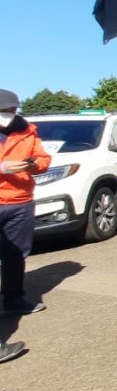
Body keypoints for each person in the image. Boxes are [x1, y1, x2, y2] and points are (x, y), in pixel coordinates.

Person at [0, 88, 50, 315]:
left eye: (13, 109)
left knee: (16, 255)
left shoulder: (28, 130)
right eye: (5, 110)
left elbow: (43, 158)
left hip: (20, 201)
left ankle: (13, 300)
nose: (10, 114)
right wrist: (3, 168)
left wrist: (34, 165)